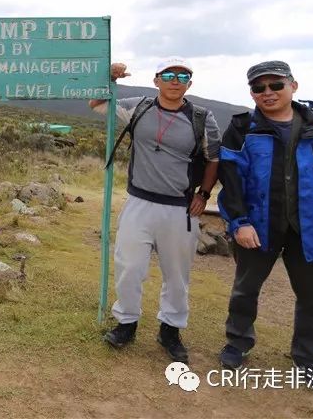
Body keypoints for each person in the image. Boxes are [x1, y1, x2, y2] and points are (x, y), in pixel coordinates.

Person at [217, 60, 313, 395]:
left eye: (275, 85)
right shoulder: (241, 128)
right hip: (259, 227)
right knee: (245, 289)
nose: (267, 93)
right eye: (258, 88)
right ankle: (238, 344)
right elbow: (231, 179)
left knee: (312, 298)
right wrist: (239, 222)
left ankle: (308, 359)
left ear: (293, 86)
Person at [90, 58, 220, 362]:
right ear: (156, 80)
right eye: (169, 75)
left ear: (190, 84)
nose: (176, 80)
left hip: (180, 208)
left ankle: (170, 330)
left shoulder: (202, 118)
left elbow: (213, 158)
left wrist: (204, 193)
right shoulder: (141, 107)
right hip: (139, 202)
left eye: (183, 76)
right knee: (129, 267)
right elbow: (97, 103)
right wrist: (109, 77)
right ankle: (127, 322)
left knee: (177, 274)